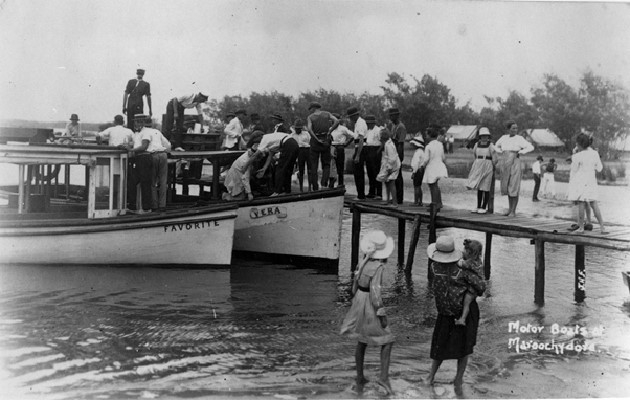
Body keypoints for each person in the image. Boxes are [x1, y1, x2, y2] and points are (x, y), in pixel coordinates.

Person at [426, 236, 486, 393]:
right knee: (464, 349)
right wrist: (470, 292)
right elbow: (480, 286)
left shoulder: (434, 267)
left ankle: (430, 377)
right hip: (462, 313)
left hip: (445, 312)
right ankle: (458, 379)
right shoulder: (462, 271)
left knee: (439, 348)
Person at [340, 230, 395, 396]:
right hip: (370, 304)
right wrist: (382, 314)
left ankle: (360, 377)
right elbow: (376, 295)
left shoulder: (362, 263)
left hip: (359, 300)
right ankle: (383, 377)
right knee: (388, 340)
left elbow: (353, 288)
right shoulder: (378, 267)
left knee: (362, 340)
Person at [567, 133, 607, 234]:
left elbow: (574, 169)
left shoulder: (577, 156)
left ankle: (581, 228)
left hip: (581, 180)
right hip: (591, 180)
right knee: (594, 203)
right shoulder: (594, 153)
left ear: (579, 144)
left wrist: (574, 154)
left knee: (581, 203)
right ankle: (602, 227)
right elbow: (599, 168)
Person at [494, 120, 534, 216]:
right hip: (505, 161)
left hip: (515, 161)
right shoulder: (504, 138)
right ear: (508, 129)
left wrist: (520, 152)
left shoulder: (519, 138)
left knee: (514, 185)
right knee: (507, 185)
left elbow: (530, 147)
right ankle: (509, 209)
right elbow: (496, 145)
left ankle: (513, 211)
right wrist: (501, 151)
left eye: (516, 128)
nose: (515, 130)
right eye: (513, 128)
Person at [133, 114, 172, 212]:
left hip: (152, 155)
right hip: (163, 155)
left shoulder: (143, 132)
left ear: (143, 123)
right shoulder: (157, 131)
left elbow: (141, 147)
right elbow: (168, 146)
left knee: (153, 182)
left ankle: (154, 206)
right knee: (163, 181)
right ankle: (162, 205)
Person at [254, 130, 299, 195]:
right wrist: (264, 168)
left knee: (280, 168)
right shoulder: (272, 139)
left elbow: (256, 153)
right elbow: (270, 155)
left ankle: (277, 191)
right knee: (288, 169)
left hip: (288, 144)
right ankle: (287, 190)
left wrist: (247, 162)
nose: (258, 143)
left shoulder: (264, 138)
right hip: (294, 144)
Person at [306, 102, 339, 191]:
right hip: (325, 138)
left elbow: (309, 129)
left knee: (314, 165)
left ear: (313, 108)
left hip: (315, 140)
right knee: (326, 164)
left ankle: (315, 187)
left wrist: (316, 138)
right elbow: (337, 121)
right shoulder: (327, 114)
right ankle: (324, 184)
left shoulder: (310, 117)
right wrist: (330, 131)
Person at [222, 132, 263, 201]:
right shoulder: (246, 161)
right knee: (241, 197)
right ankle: (226, 196)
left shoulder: (249, 153)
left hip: (238, 174)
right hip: (235, 177)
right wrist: (249, 193)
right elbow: (245, 177)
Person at [465, 127, 497, 214]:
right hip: (478, 165)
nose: (484, 137)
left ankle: (484, 207)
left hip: (488, 165)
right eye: (482, 136)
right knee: (479, 187)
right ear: (480, 136)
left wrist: (493, 167)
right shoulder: (476, 144)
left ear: (488, 136)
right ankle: (478, 206)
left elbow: (494, 158)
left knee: (486, 187)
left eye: (486, 136)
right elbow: (475, 154)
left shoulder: (491, 145)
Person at [454, 239, 484, 326]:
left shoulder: (470, 263)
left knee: (466, 303)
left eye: (464, 250)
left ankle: (462, 319)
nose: (463, 251)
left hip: (472, 290)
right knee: (468, 302)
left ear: (469, 252)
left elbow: (459, 264)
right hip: (476, 286)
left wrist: (455, 257)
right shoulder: (478, 261)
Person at [128, 115, 154, 213]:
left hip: (145, 158)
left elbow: (144, 146)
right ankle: (133, 206)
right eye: (136, 122)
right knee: (132, 182)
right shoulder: (136, 133)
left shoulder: (146, 132)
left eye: (139, 122)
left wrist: (131, 149)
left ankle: (146, 208)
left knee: (145, 183)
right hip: (138, 158)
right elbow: (134, 144)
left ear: (143, 122)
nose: (137, 124)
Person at [422, 124, 448, 210]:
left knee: (432, 186)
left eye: (426, 135)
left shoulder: (428, 146)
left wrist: (422, 166)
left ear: (429, 135)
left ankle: (434, 204)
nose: (426, 136)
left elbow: (426, 159)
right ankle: (439, 203)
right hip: (439, 165)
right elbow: (443, 157)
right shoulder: (440, 144)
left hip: (432, 167)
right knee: (435, 185)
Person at [386, 108, 407, 204]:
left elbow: (401, 143)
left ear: (397, 116)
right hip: (393, 151)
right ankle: (395, 197)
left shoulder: (401, 127)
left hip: (398, 151)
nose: (390, 118)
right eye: (390, 116)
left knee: (398, 177)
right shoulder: (393, 126)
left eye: (392, 116)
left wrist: (399, 156)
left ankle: (399, 198)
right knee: (394, 176)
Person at [376, 128, 401, 206]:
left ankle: (394, 203)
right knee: (386, 182)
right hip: (390, 164)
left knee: (391, 182)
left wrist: (389, 168)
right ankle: (387, 199)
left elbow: (392, 158)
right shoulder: (387, 143)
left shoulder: (389, 145)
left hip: (393, 165)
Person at [330, 113, 356, 187]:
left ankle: (340, 184)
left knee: (340, 167)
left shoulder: (343, 129)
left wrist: (347, 142)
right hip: (332, 147)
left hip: (340, 147)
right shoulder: (330, 128)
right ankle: (331, 184)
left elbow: (353, 135)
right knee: (331, 167)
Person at [347, 106, 368, 199]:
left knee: (358, 172)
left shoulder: (360, 123)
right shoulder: (357, 123)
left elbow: (361, 140)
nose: (351, 119)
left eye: (351, 117)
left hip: (361, 148)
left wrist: (358, 155)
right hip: (358, 147)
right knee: (357, 172)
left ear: (356, 115)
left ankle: (361, 195)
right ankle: (360, 193)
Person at [364, 115, 383, 200]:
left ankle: (379, 193)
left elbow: (382, 142)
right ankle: (372, 192)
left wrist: (377, 152)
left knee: (377, 172)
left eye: (369, 123)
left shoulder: (378, 130)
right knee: (370, 172)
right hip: (368, 150)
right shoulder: (367, 131)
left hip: (375, 150)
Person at [290, 118, 311, 192]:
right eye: (296, 128)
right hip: (299, 151)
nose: (297, 130)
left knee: (309, 169)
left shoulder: (306, 133)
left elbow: (309, 142)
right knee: (301, 170)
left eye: (299, 128)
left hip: (307, 150)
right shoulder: (292, 135)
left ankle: (310, 187)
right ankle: (301, 188)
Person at [410, 135, 426, 206]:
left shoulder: (417, 152)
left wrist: (413, 172)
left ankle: (416, 201)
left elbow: (416, 163)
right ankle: (420, 201)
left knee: (416, 186)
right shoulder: (422, 151)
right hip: (421, 170)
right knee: (419, 186)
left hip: (417, 170)